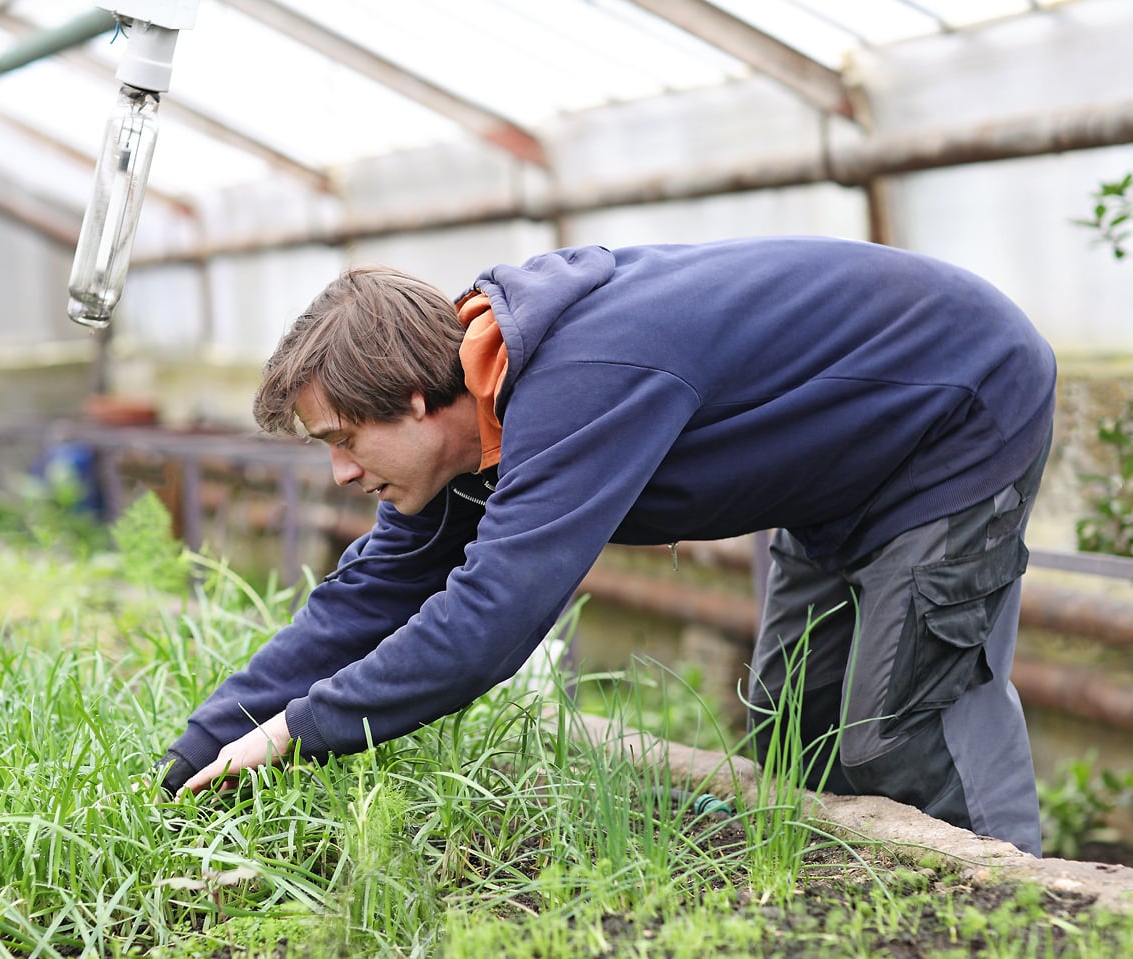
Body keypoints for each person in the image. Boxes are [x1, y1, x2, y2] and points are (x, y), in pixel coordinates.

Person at [156, 235, 1057, 856]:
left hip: (956, 413)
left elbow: (491, 620)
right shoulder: (475, 427)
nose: (343, 474)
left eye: (343, 439)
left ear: (415, 399)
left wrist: (295, 733)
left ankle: (1023, 912)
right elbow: (361, 602)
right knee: (796, 734)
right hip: (841, 469)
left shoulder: (579, 378)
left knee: (894, 729)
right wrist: (190, 759)